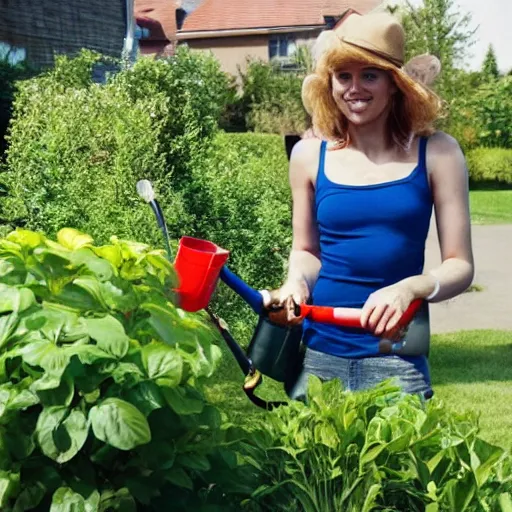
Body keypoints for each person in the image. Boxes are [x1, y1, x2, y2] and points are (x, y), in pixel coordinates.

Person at [266, 12, 474, 400]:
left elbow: (460, 265)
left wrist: (409, 288)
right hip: (319, 356)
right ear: (330, 83)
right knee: (312, 463)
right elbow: (307, 251)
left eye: (370, 75)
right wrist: (296, 280)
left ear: (395, 85)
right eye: (343, 76)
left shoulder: (437, 153)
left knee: (396, 462)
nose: (354, 88)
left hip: (396, 361)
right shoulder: (309, 156)